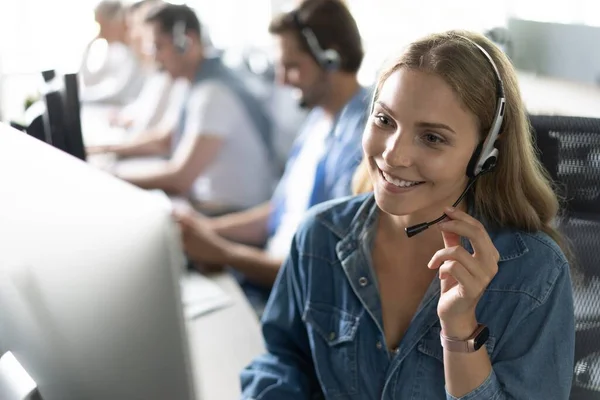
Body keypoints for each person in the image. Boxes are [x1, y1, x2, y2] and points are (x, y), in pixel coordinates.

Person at [240, 30, 575, 399]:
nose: (394, 155)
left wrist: (460, 329)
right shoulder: (320, 235)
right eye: (385, 120)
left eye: (432, 138)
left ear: (484, 155)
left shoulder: (535, 274)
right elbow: (284, 360)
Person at [175, 0, 370, 312]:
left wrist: (223, 252)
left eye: (291, 65)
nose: (281, 79)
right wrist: (202, 230)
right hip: (267, 279)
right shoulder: (318, 121)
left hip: (295, 305)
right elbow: (280, 212)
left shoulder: (364, 143)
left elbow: (325, 270)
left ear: (331, 58)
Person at [90, 4, 275, 215]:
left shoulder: (213, 94)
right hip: (207, 202)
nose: (154, 58)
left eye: (158, 47)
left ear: (186, 42)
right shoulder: (193, 84)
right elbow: (165, 139)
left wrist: (105, 177)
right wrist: (102, 150)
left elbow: (180, 178)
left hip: (226, 211)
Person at [80, 0, 144, 105]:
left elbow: (117, 94)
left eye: (102, 24)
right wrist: (88, 47)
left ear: (114, 22)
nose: (100, 31)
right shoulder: (115, 51)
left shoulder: (135, 55)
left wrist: (79, 98)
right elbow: (89, 82)